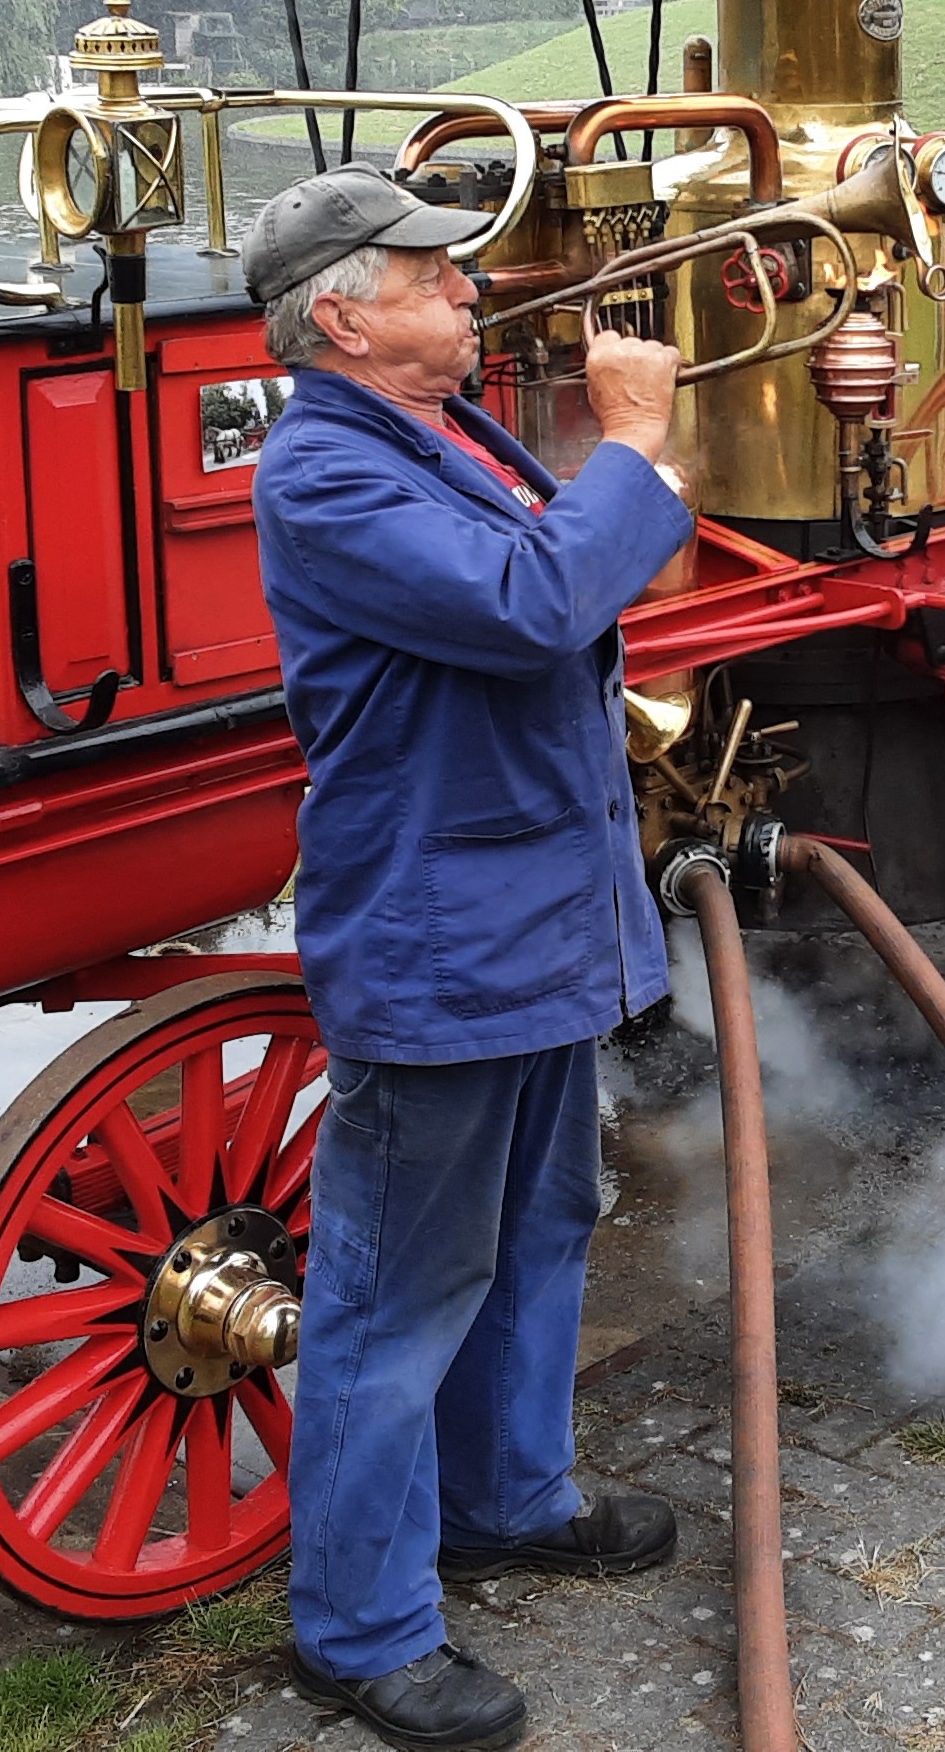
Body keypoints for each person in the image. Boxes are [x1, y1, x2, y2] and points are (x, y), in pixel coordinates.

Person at [243, 162, 692, 1751]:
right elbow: (527, 605)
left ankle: (510, 1494)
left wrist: (619, 495)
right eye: (435, 274)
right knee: (397, 1290)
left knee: (549, 1222)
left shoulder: (441, 428)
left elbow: (583, 587)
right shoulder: (318, 474)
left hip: (542, 921)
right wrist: (631, 447)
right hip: (443, 943)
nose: (471, 290)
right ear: (345, 316)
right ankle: (361, 1630)